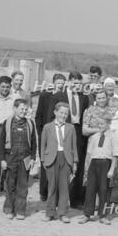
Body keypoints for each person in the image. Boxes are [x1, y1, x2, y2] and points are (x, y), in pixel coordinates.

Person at [0, 98, 37, 220]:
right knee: (10, 184)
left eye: (26, 109)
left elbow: (35, 142)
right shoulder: (7, 123)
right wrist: (2, 160)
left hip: (25, 158)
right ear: (15, 109)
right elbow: (0, 142)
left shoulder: (30, 123)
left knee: (23, 186)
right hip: (10, 158)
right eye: (21, 109)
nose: (24, 111)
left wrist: (33, 158)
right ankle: (9, 209)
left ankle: (20, 211)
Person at [40, 102, 78, 223]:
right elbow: (43, 145)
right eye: (61, 112)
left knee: (64, 187)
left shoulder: (71, 128)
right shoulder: (47, 127)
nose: (63, 115)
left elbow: (74, 147)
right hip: (51, 158)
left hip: (66, 158)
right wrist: (43, 160)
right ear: (55, 112)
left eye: (66, 113)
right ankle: (50, 212)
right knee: (52, 187)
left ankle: (63, 213)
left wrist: (75, 162)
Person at [78, 115, 118, 225]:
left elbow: (115, 155)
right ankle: (87, 214)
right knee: (90, 189)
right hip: (94, 164)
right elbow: (89, 153)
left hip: (106, 163)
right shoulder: (94, 137)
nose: (100, 126)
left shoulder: (113, 137)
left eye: (102, 124)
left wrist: (111, 169)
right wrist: (87, 168)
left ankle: (103, 215)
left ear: (108, 124)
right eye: (98, 124)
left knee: (104, 190)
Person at [35, 73, 66, 201]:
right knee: (45, 163)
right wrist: (41, 133)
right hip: (46, 133)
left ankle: (55, 193)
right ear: (53, 83)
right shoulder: (45, 95)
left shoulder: (64, 97)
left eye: (62, 84)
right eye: (58, 83)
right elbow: (39, 116)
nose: (60, 85)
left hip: (59, 134)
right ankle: (44, 191)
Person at [65, 71, 88, 208]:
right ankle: (59, 199)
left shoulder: (83, 98)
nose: (76, 85)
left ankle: (76, 200)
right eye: (74, 82)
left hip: (78, 131)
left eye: (79, 83)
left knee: (78, 165)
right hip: (65, 130)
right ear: (69, 82)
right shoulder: (59, 96)